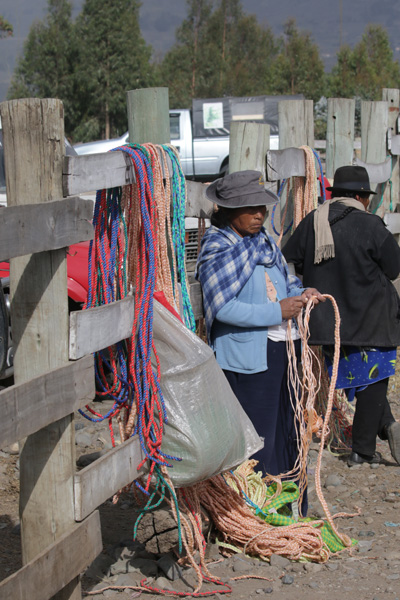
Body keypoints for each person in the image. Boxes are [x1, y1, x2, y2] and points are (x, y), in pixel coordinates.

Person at [195, 170, 324, 513]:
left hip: (284, 348)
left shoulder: (263, 242)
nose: (259, 215)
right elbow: (223, 308)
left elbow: (283, 281)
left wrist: (301, 292)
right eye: (250, 209)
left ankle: (289, 506)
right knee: (259, 435)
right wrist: (276, 311)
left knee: (290, 426)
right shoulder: (218, 247)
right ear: (226, 210)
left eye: (262, 209)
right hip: (249, 355)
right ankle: (255, 511)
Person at [282, 165, 400, 467]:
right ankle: (363, 449)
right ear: (362, 196)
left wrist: (307, 285)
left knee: (360, 377)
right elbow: (393, 269)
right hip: (373, 318)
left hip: (328, 318)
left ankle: (386, 425)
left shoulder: (312, 221)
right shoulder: (371, 225)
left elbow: (288, 259)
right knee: (376, 378)